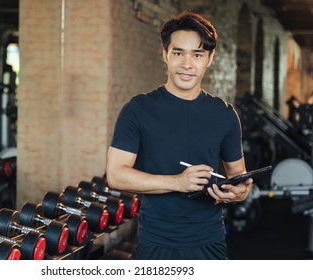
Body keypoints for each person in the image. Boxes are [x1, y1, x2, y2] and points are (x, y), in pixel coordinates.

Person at [106, 11, 253, 260]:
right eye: (178, 53)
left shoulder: (225, 115)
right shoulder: (138, 110)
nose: (187, 64)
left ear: (209, 58)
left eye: (197, 54)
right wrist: (177, 182)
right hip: (155, 242)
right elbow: (116, 175)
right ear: (165, 55)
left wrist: (240, 193)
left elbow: (237, 175)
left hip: (209, 242)